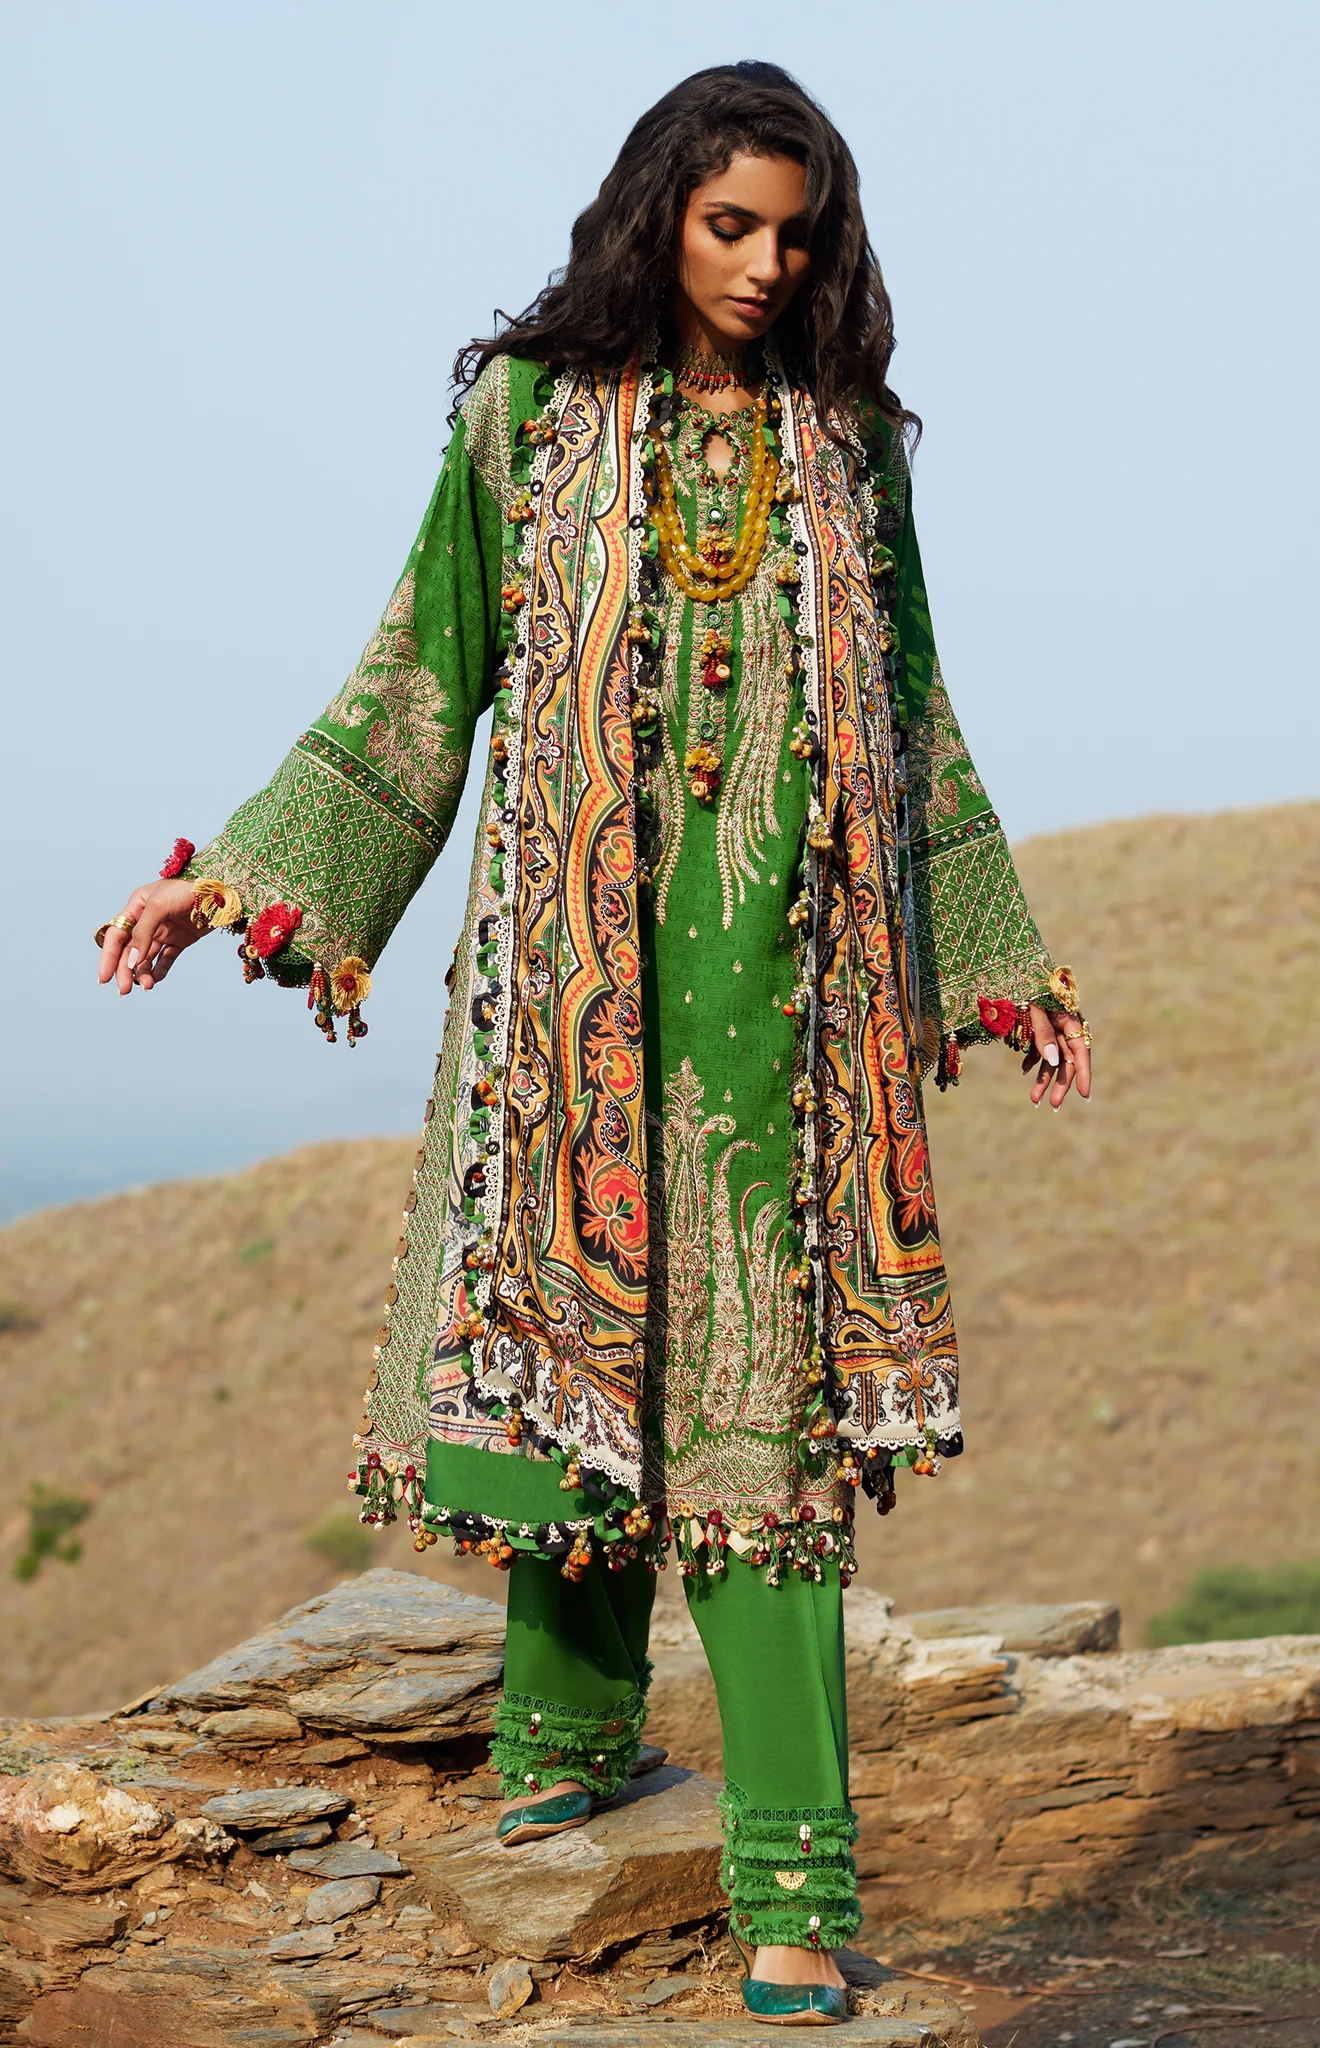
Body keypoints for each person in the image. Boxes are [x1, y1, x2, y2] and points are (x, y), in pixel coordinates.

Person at [97, 62, 1091, 2025]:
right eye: (730, 225)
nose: (764, 263)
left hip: (791, 1028)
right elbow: (419, 672)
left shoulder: (845, 444)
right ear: (658, 214)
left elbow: (917, 719)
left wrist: (1000, 957)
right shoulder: (530, 422)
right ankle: (563, 1746)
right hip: (570, 1007)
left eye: (796, 232)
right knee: (573, 1368)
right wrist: (232, 883)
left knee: (762, 1432)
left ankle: (790, 1889)